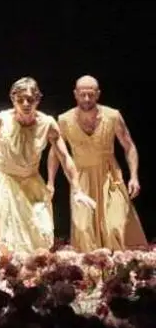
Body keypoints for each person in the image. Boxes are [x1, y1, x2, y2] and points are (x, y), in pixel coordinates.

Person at [0, 77, 95, 254]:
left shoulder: (47, 124)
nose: (25, 104)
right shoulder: (2, 120)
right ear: (13, 99)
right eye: (20, 99)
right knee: (5, 241)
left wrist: (77, 189)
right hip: (2, 181)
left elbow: (64, 157)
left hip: (30, 183)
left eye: (30, 99)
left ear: (37, 100)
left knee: (37, 235)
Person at [47, 75, 146, 251]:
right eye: (82, 94)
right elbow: (55, 153)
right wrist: (50, 181)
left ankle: (119, 264)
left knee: (115, 226)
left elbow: (129, 146)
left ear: (98, 94)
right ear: (75, 94)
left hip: (110, 176)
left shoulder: (112, 116)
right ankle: (93, 266)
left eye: (91, 94)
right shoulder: (64, 120)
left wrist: (134, 176)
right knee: (84, 229)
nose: (87, 99)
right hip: (80, 178)